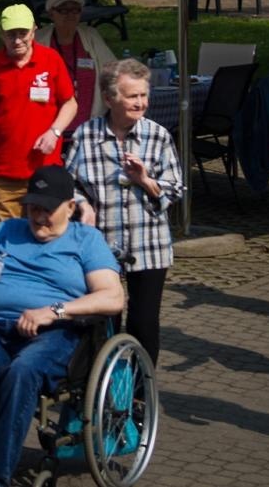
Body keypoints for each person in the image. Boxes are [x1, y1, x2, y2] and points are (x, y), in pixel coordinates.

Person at [0, 165, 124, 487]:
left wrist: (55, 310)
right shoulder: (7, 230)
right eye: (33, 207)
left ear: (70, 207)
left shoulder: (86, 239)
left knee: (23, 372)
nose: (38, 215)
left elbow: (113, 297)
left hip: (55, 334)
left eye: (47, 208)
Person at [65, 58, 183, 364]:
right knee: (105, 322)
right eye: (132, 96)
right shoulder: (85, 136)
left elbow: (175, 191)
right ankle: (103, 393)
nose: (140, 103)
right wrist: (81, 204)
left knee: (144, 324)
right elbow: (68, 184)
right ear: (109, 98)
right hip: (102, 248)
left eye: (144, 95)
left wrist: (144, 180)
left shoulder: (158, 137)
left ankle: (141, 395)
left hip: (149, 247)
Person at [0, 4, 77, 223]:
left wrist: (54, 132)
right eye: (11, 34)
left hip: (45, 169)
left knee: (46, 234)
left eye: (22, 33)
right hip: (3, 171)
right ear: (2, 33)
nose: (17, 40)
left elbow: (70, 104)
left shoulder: (51, 60)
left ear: (34, 31)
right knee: (8, 242)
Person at [34, 0, 117, 134]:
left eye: (75, 10)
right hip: (48, 127)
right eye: (63, 10)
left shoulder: (91, 36)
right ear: (51, 13)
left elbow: (113, 70)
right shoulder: (38, 40)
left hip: (89, 127)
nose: (70, 15)